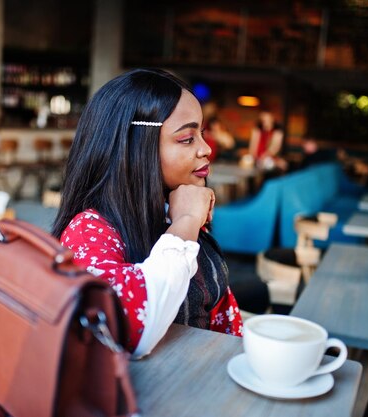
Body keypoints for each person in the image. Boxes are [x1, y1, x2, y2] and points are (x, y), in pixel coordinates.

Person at [51, 69, 243, 358]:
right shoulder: (89, 230)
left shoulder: (170, 209)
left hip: (208, 378)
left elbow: (221, 316)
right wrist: (187, 222)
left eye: (201, 134)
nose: (206, 150)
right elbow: (130, 324)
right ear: (136, 147)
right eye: (187, 139)